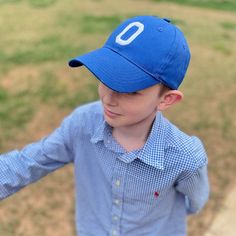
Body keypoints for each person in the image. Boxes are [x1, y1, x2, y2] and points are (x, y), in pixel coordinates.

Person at [0, 15, 209, 236]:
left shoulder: (186, 157)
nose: (108, 98)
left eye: (129, 90)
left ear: (166, 99)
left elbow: (194, 202)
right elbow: (28, 162)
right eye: (106, 78)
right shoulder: (82, 123)